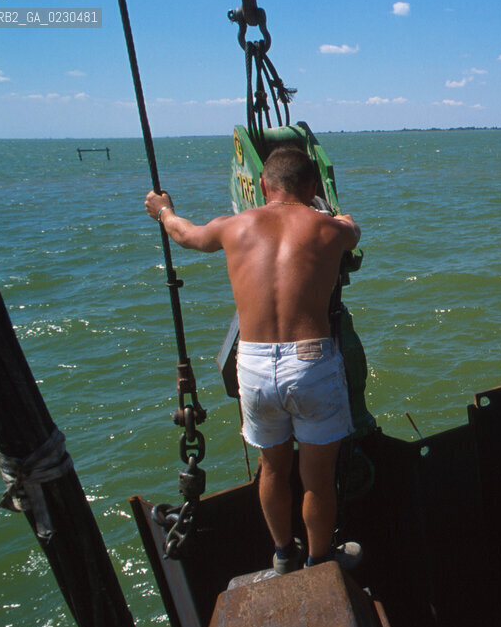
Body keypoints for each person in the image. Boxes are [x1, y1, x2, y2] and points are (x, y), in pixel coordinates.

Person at [144, 146, 362, 575]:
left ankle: (284, 554)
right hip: (311, 361)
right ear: (313, 187)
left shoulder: (232, 226)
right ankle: (321, 562)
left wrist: (165, 211)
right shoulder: (329, 229)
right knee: (317, 479)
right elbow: (352, 228)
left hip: (256, 365)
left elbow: (185, 234)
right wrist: (335, 213)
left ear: (263, 186)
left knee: (272, 467)